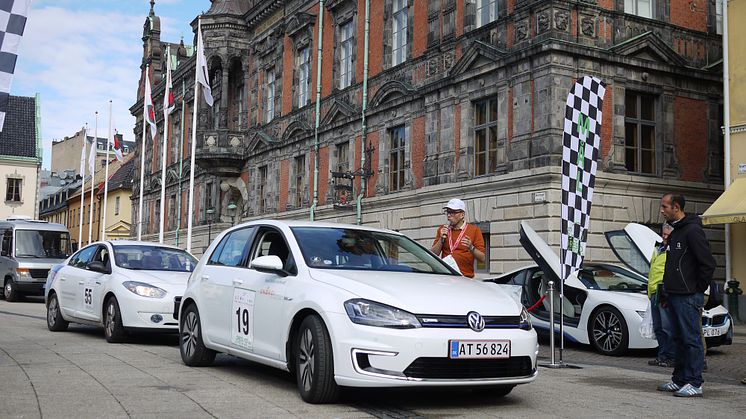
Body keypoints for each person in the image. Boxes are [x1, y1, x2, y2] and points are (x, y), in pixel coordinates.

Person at [656, 193, 715, 398]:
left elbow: (707, 263)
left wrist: (697, 289)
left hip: (688, 295)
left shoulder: (692, 230)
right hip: (673, 294)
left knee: (691, 339)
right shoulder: (675, 232)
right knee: (678, 338)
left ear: (677, 207)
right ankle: (679, 379)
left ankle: (695, 382)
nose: (662, 210)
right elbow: (671, 265)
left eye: (665, 207)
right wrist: (666, 290)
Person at [431, 198, 485, 278]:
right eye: (448, 212)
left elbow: (482, 258)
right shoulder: (442, 229)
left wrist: (471, 248)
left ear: (462, 215)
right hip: (446, 276)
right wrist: (441, 240)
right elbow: (433, 254)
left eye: (453, 212)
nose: (449, 215)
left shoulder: (474, 230)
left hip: (465, 278)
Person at [647, 223, 676, 368]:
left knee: (666, 327)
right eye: (663, 234)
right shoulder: (658, 249)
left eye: (667, 235)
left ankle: (670, 357)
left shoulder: (673, 250)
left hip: (664, 291)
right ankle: (662, 356)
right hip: (654, 291)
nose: (664, 237)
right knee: (658, 327)